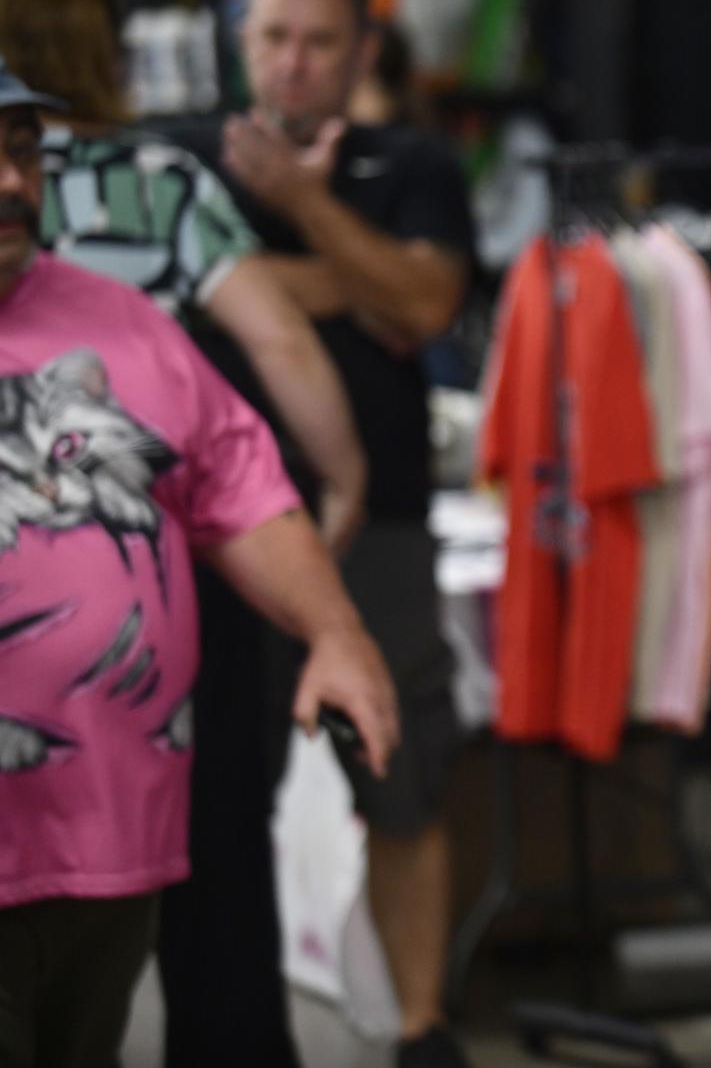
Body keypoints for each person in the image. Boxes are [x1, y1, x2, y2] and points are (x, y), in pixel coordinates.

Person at [0, 62, 398, 1067]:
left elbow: (238, 485)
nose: (10, 182)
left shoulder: (120, 321)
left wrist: (335, 632)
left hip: (110, 848)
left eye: (21, 152)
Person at [159, 0, 476, 1065]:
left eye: (319, 42)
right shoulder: (181, 161)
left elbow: (427, 304)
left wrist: (296, 209)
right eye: (274, 39)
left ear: (361, 50)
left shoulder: (413, 163)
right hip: (218, 542)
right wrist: (356, 284)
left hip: (378, 528)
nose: (293, 63)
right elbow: (170, 298)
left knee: (404, 779)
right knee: (219, 798)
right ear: (240, 43)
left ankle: (422, 1029)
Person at [0, 0, 368, 557]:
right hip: (136, 509)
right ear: (109, 51)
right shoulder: (158, 181)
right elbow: (279, 338)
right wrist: (344, 478)